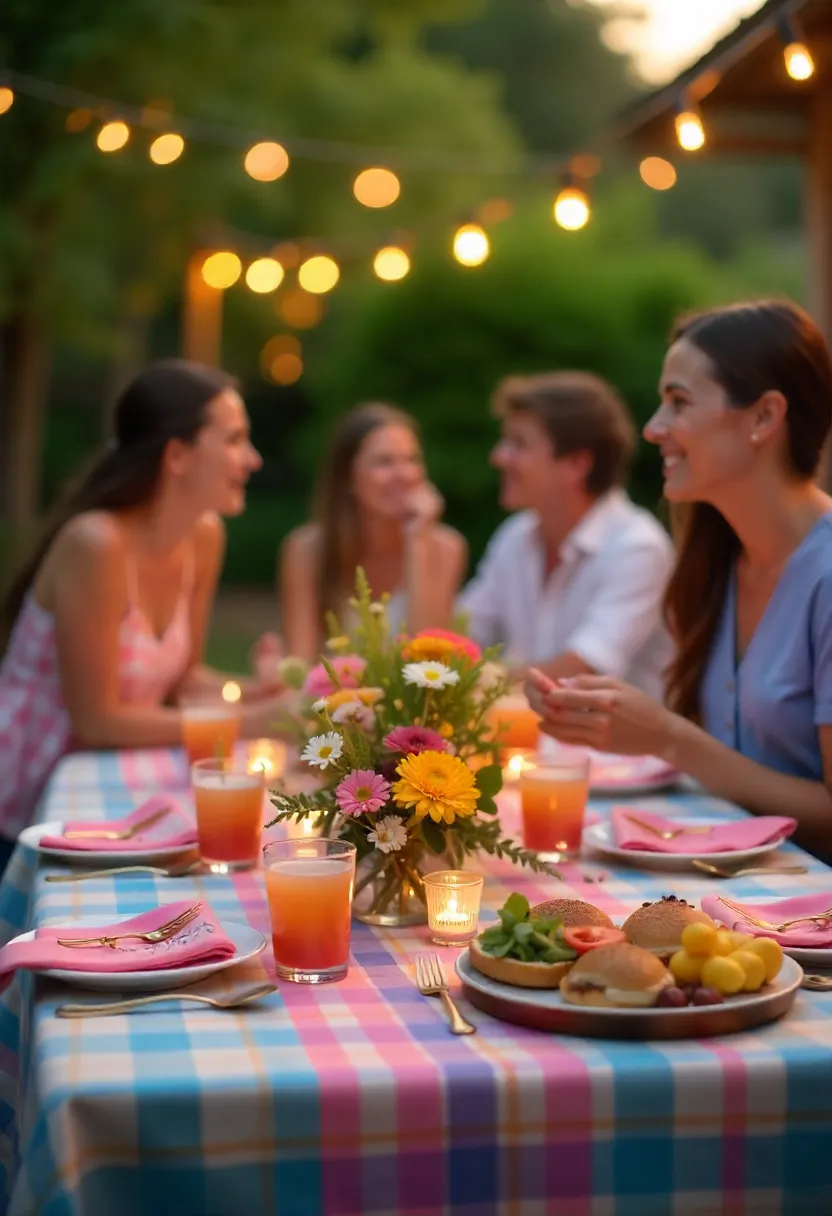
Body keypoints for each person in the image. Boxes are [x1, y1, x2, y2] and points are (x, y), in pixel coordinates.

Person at [527, 299, 832, 856]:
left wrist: (668, 738)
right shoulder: (716, 564)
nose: (652, 429)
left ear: (764, 417)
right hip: (740, 898)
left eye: (678, 403)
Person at [0, 359, 285, 864]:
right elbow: (97, 720)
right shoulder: (96, 544)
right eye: (236, 440)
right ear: (177, 455)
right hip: (24, 807)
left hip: (108, 807)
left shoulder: (203, 535)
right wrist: (252, 719)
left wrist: (252, 689)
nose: (254, 459)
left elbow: (181, 682)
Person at [458, 371, 674, 698]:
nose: (499, 456)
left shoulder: (637, 547)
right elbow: (463, 634)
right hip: (535, 742)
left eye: (518, 444)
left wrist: (460, 686)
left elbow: (579, 671)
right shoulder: (515, 536)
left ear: (576, 463)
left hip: (620, 749)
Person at [277, 402, 466, 661]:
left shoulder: (446, 548)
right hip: (330, 699)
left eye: (411, 460)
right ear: (348, 478)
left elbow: (430, 660)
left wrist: (417, 543)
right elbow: (301, 662)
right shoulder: (308, 550)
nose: (404, 474)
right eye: (384, 462)